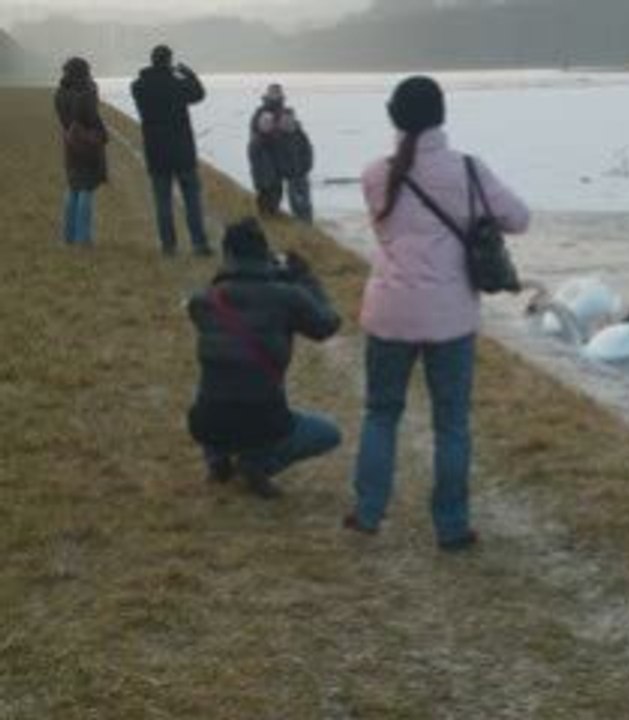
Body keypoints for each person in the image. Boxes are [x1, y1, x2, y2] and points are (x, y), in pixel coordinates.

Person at [346, 76, 530, 549]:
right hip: (449, 316)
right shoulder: (468, 170)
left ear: (394, 115)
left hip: (389, 311)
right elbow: (520, 218)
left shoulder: (374, 174)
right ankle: (451, 526)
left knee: (381, 413)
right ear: (441, 114)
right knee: (451, 425)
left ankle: (367, 511)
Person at [187, 217, 342, 499]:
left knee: (218, 377)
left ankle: (218, 458)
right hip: (264, 422)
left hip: (206, 422)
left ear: (227, 254)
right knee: (329, 434)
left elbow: (231, 294)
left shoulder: (203, 300)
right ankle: (256, 464)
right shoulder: (287, 296)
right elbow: (328, 324)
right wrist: (305, 278)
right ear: (265, 253)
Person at [131, 45, 211, 257]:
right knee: (192, 200)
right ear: (169, 61)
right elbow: (199, 94)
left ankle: (168, 246)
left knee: (163, 202)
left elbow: (139, 83)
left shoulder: (138, 86)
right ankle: (199, 244)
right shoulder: (177, 85)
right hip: (182, 150)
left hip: (156, 151)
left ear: (152, 60)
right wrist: (189, 74)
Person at [54, 56, 108, 246]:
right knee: (86, 188)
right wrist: (101, 135)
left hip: (70, 143)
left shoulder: (60, 93)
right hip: (87, 144)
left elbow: (66, 118)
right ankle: (82, 237)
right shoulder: (85, 93)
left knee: (73, 187)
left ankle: (68, 236)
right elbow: (92, 118)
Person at [248, 83, 286, 216]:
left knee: (277, 187)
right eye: (273, 93)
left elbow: (288, 132)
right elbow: (254, 131)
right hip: (263, 153)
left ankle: (273, 212)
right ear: (268, 94)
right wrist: (261, 138)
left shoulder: (283, 111)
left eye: (277, 93)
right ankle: (264, 214)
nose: (275, 95)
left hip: (279, 155)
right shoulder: (260, 111)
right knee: (264, 187)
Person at [276, 108, 314, 223]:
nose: (287, 122)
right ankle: (300, 224)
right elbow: (278, 157)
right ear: (281, 120)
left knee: (306, 204)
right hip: (290, 177)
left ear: (293, 119)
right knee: (296, 204)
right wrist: (286, 171)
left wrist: (307, 166)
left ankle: (308, 224)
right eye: (285, 119)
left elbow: (308, 151)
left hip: (303, 175)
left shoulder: (300, 134)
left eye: (289, 119)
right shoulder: (279, 137)